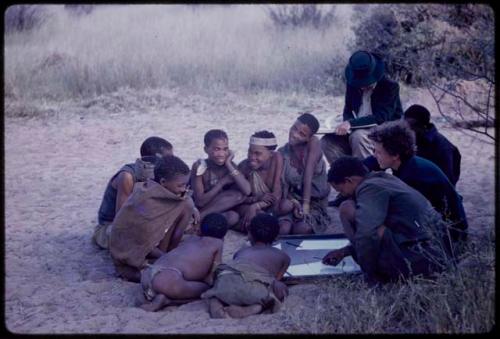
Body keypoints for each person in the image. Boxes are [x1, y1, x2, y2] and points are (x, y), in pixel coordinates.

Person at [322, 156, 452, 285]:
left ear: (348, 180)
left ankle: (380, 275)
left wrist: (369, 273)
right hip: (436, 252)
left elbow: (367, 233)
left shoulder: (370, 188)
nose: (342, 195)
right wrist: (346, 251)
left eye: (341, 190)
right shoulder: (382, 178)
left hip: (422, 259)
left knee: (347, 208)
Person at [320, 51, 403, 207]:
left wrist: (351, 124)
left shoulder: (390, 87)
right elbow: (347, 109)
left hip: (383, 133)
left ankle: (366, 186)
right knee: (327, 142)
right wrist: (345, 124)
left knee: (358, 137)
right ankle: (347, 186)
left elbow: (382, 117)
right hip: (356, 131)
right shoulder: (352, 85)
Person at [366, 120, 468, 243]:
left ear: (395, 155)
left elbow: (411, 217)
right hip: (440, 227)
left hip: (449, 235)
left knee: (380, 232)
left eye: (378, 152)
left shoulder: (413, 174)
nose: (375, 155)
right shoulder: (406, 164)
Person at [109, 155, 196, 282]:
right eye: (180, 186)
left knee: (187, 204)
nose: (183, 189)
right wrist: (168, 260)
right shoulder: (144, 199)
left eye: (185, 185)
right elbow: (141, 241)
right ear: (163, 182)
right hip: (131, 258)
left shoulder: (172, 197)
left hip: (158, 252)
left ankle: (168, 256)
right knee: (159, 279)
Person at [202, 213, 290, 319]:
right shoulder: (284, 257)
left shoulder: (241, 252)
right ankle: (255, 308)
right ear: (276, 237)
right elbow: (273, 280)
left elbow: (236, 269)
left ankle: (216, 305)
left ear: (250, 234)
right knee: (274, 292)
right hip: (252, 289)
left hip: (226, 281)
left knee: (216, 294)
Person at [93, 136, 173, 249]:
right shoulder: (128, 176)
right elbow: (122, 218)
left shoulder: (158, 173)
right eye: (168, 159)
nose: (170, 162)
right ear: (156, 158)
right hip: (110, 227)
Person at [139, 213, 228, 312]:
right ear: (223, 237)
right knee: (209, 289)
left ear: (200, 230)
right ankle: (167, 301)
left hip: (147, 275)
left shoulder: (190, 239)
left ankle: (155, 295)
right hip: (168, 281)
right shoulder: (218, 244)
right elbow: (214, 274)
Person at [277, 113, 331, 235]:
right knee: (283, 229)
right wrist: (295, 203)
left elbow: (308, 174)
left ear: (309, 138)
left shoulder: (313, 145)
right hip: (293, 201)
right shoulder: (282, 153)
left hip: (314, 202)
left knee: (301, 230)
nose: (295, 134)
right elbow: (282, 186)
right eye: (294, 128)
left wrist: (305, 205)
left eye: (302, 134)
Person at [191, 129, 251, 228]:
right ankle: (198, 219)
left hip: (220, 209)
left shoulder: (230, 166)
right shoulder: (200, 166)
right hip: (202, 208)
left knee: (233, 216)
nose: (222, 154)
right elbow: (200, 201)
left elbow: (247, 190)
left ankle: (200, 220)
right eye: (217, 149)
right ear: (206, 149)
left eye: (225, 149)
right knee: (235, 201)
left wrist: (228, 163)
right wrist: (222, 182)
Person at [235, 130, 284, 232]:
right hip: (247, 205)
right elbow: (237, 199)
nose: (252, 157)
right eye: (250, 152)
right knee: (262, 219)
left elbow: (276, 194)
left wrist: (256, 206)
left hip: (268, 206)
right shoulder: (244, 167)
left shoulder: (277, 158)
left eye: (258, 153)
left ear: (270, 154)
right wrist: (255, 201)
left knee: (286, 205)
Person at [404, 104, 461, 186]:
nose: (407, 128)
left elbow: (447, 182)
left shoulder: (443, 148)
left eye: (411, 125)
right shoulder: (409, 138)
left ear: (422, 126)